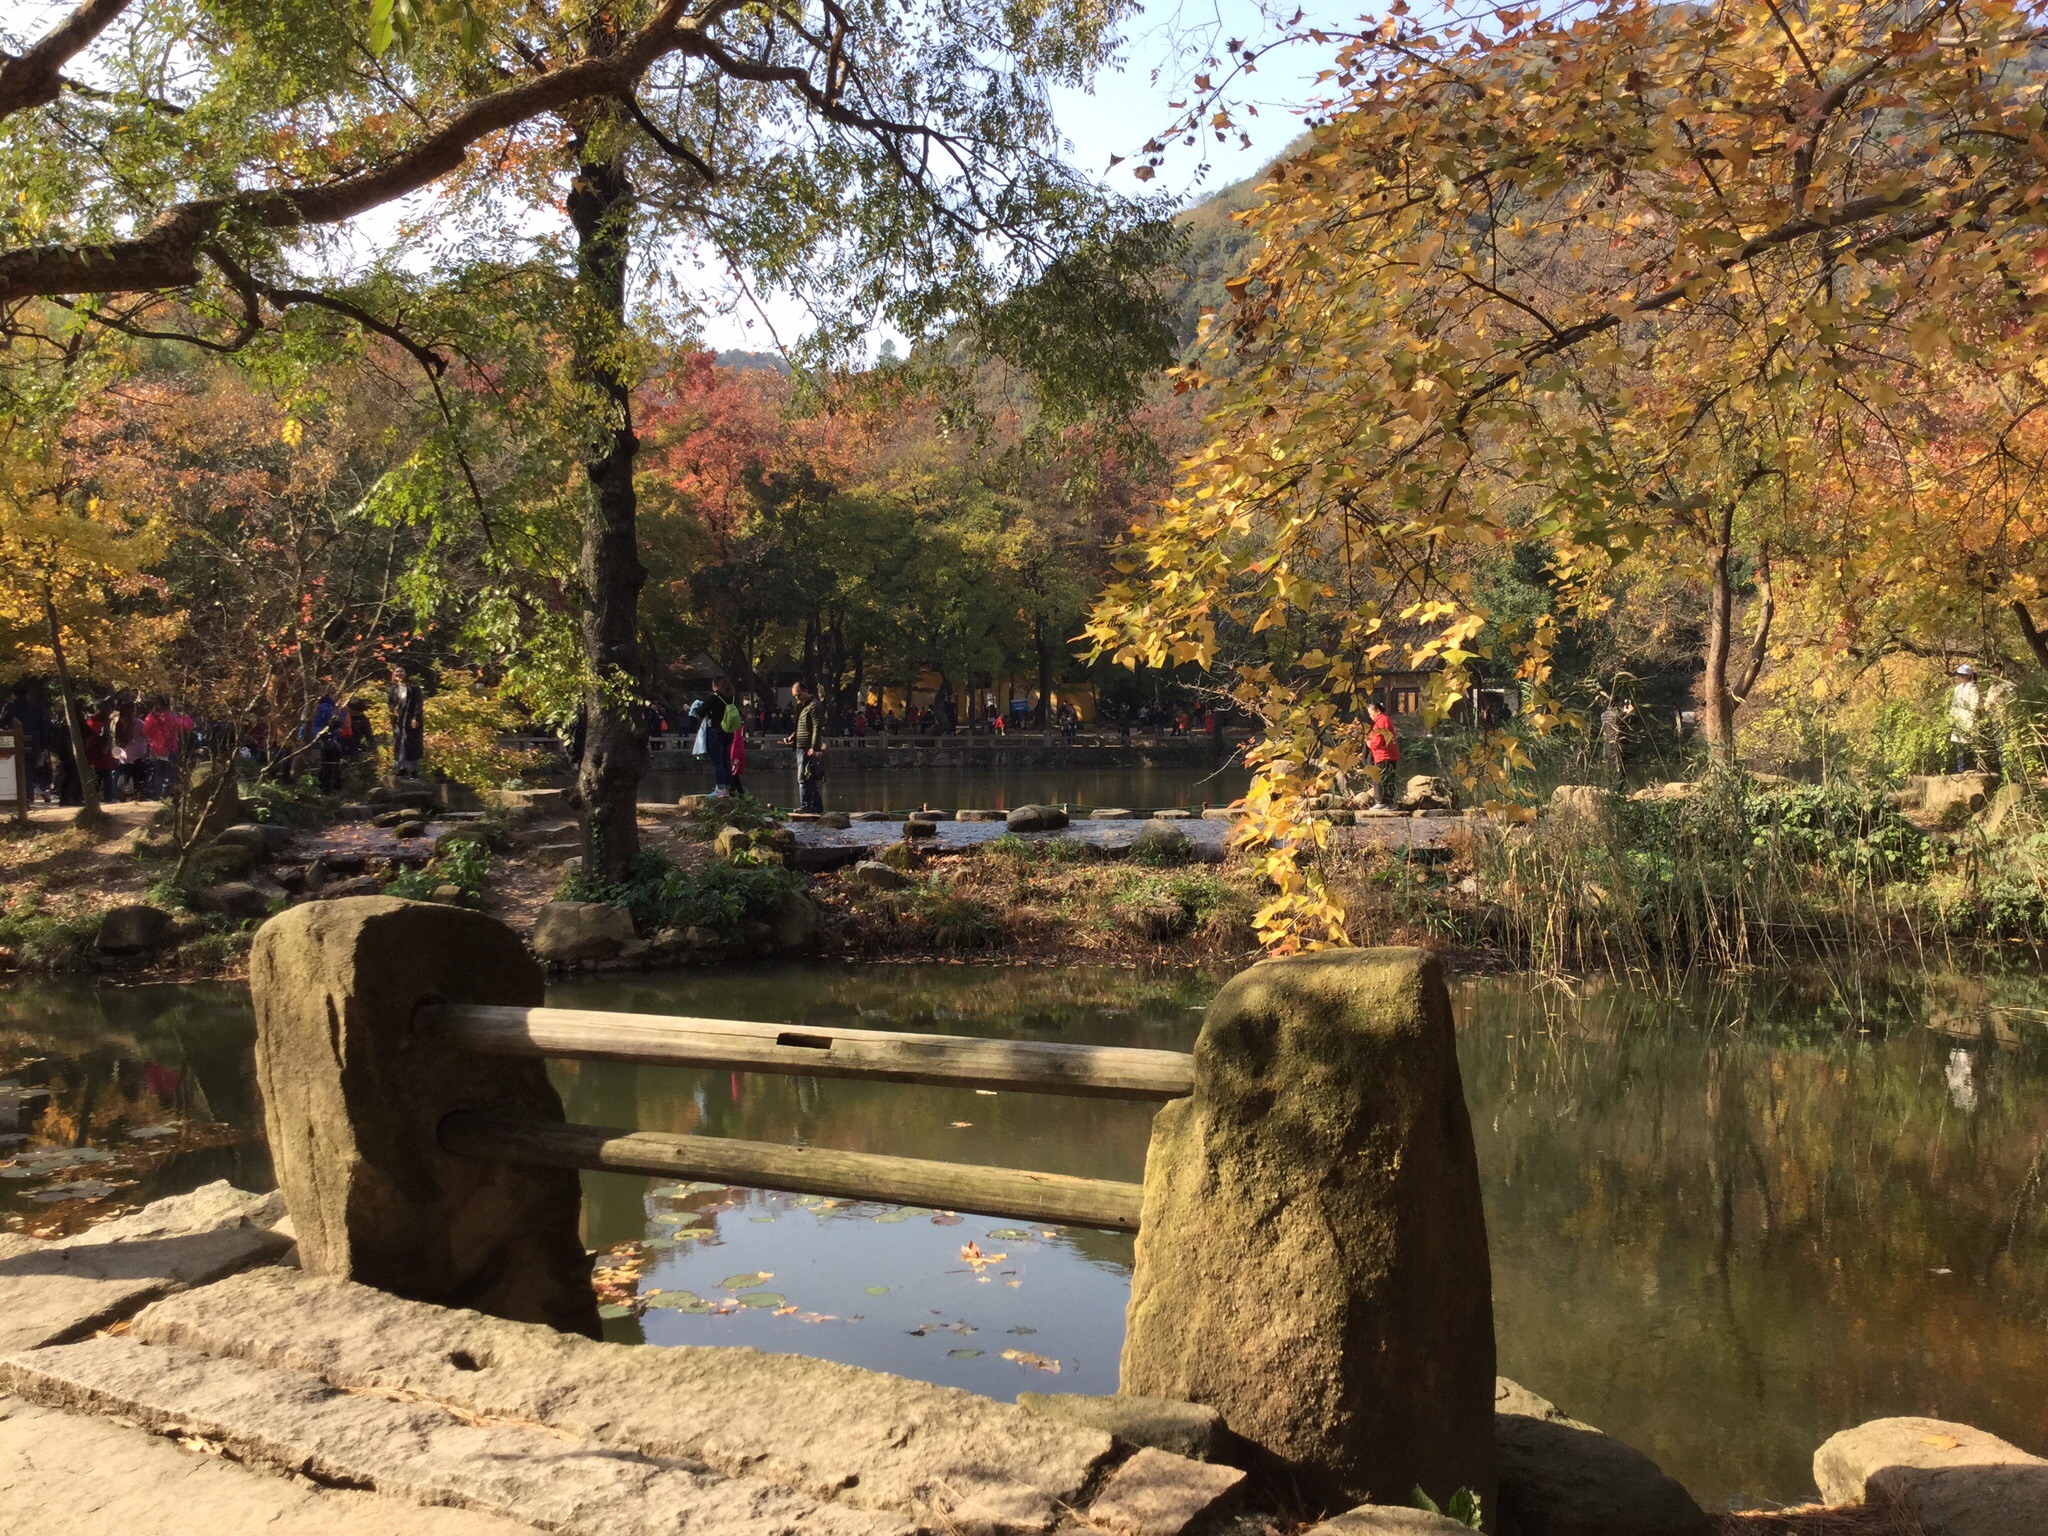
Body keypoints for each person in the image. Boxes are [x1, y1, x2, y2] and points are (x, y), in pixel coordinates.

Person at [785, 679, 825, 813]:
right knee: (809, 777)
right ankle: (816, 805)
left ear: (805, 691)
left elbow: (817, 727)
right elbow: (801, 727)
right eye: (795, 696)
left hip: (807, 747)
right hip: (800, 745)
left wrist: (814, 747)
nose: (797, 698)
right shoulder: (803, 706)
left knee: (803, 777)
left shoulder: (814, 706)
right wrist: (793, 736)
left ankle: (805, 805)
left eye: (798, 695)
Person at [141, 695, 192, 799]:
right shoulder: (172, 717)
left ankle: (158, 795)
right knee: (170, 773)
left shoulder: (151, 718)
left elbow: (145, 731)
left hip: (156, 749)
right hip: (171, 748)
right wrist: (185, 717)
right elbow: (185, 727)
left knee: (158, 773)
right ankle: (167, 795)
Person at [388, 666, 426, 777]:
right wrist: (393, 711)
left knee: (412, 743)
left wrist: (415, 717)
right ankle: (402, 768)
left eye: (402, 671)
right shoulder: (393, 688)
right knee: (400, 742)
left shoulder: (413, 687)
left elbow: (418, 704)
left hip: (410, 718)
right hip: (398, 719)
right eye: (397, 672)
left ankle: (414, 770)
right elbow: (390, 703)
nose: (399, 674)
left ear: (406, 673)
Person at [1366, 698, 1401, 806]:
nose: (1370, 716)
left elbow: (1379, 739)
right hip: (1387, 755)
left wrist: (1369, 743)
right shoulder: (1384, 719)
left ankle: (1381, 802)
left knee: (1380, 778)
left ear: (1377, 711)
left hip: (1384, 755)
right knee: (1388, 779)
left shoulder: (1382, 721)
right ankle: (1389, 802)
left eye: (1371, 713)